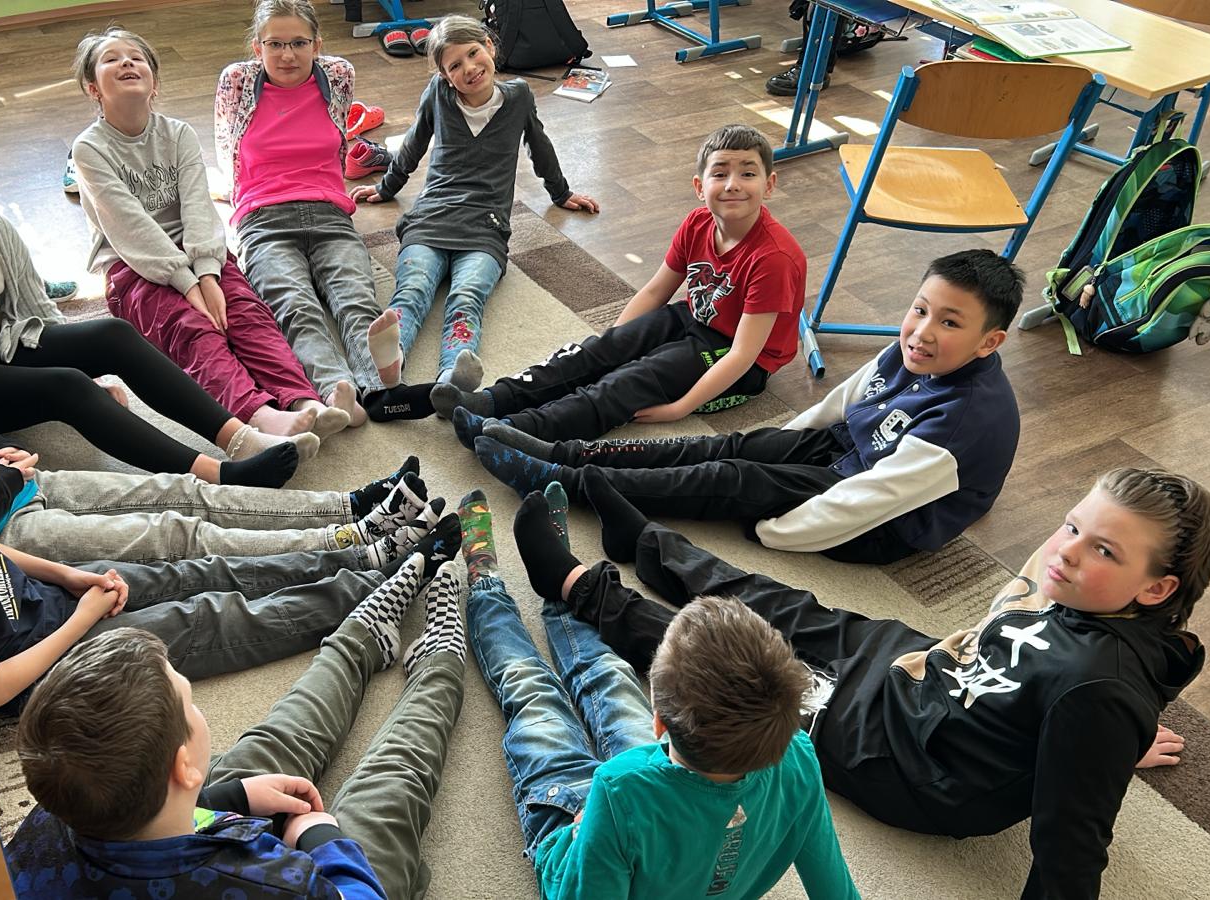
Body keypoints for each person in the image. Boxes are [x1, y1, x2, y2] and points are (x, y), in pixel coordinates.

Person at [564, 468, 1210, 899]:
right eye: (1074, 526)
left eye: (1103, 550)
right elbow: (1071, 705)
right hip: (925, 672)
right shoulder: (1098, 614)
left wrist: (1105, 738)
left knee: (735, 677)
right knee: (790, 608)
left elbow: (1070, 851)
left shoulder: (1099, 695)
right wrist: (1104, 747)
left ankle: (584, 591)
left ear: (1156, 588)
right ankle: (647, 542)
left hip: (908, 762)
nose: (1067, 550)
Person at [0, 236, 443, 565]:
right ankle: (353, 546)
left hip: (14, 478)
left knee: (178, 495)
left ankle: (350, 506)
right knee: (177, 537)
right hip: (2, 520)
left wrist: (1, 453)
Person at [0, 385, 446, 716]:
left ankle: (359, 554)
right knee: (206, 617)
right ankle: (374, 584)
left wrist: (71, 578)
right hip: (62, 662)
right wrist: (81, 619)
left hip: (63, 603)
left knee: (197, 570)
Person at [473, 248, 1023, 565]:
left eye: (950, 323)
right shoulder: (916, 352)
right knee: (733, 447)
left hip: (883, 520)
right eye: (920, 310)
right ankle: (565, 453)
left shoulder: (962, 423)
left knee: (732, 480)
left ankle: (564, 481)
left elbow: (869, 501)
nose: (922, 332)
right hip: (850, 453)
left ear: (989, 342)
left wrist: (776, 532)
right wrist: (784, 443)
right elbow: (846, 400)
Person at [0, 107, 317, 487]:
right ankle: (218, 475)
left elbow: (34, 308)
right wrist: (85, 382)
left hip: (0, 345)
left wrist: (87, 363)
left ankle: (241, 438)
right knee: (68, 386)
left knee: (112, 334)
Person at [3, 548, 470, 899]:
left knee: (269, 754)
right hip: (295, 878)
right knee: (388, 791)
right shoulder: (282, 884)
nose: (198, 710)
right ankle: (438, 668)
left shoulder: (50, 817)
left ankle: (360, 640)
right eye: (192, 703)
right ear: (183, 766)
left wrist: (229, 798)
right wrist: (320, 838)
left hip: (161, 840)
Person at [462, 488, 858, 899]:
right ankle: (560, 594)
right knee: (611, 675)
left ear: (659, 723)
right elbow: (836, 891)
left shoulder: (616, 788)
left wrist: (587, 827)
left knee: (536, 698)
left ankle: (485, 582)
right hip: (648, 804)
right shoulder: (797, 753)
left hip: (583, 839)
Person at [431, 123, 805, 439]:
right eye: (720, 173)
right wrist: (612, 346)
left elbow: (743, 354)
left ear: (769, 184)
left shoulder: (774, 258)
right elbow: (656, 291)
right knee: (594, 352)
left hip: (742, 360)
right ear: (699, 186)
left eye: (748, 173)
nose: (733, 184)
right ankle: (492, 400)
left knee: (629, 381)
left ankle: (515, 429)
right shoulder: (697, 223)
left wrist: (679, 408)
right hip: (693, 318)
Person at [70, 27, 352, 440]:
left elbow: (199, 208)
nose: (127, 62)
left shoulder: (178, 133)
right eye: (112, 59)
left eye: (136, 57)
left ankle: (302, 400)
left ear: (154, 82)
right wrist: (188, 285)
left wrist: (206, 272)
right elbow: (131, 229)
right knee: (193, 329)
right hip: (134, 267)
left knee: (249, 316)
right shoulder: (88, 149)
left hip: (198, 255)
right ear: (94, 88)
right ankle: (260, 415)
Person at [347, 15, 599, 411]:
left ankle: (452, 379)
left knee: (466, 298)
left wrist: (561, 192)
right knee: (411, 292)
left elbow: (540, 146)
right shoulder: (438, 94)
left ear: (489, 46)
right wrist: (386, 187)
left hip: (486, 229)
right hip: (430, 220)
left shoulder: (519, 97)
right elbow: (413, 144)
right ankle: (388, 366)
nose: (469, 68)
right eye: (455, 65)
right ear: (444, 76)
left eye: (473, 53)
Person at [214, 0, 382, 427]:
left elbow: (339, 134)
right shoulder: (237, 82)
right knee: (295, 307)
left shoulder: (338, 75)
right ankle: (336, 391)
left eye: (299, 43)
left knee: (356, 300)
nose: (287, 55)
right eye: (275, 44)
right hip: (262, 218)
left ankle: (380, 390)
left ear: (317, 45)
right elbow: (225, 147)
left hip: (329, 212)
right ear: (257, 48)